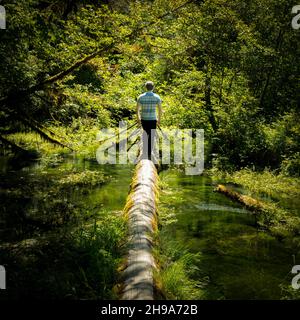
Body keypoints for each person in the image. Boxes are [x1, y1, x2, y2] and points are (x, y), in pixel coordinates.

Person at [136, 81, 162, 160]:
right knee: (151, 136)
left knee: (145, 135)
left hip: (144, 119)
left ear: (145, 87)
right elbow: (160, 110)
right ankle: (149, 154)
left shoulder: (141, 97)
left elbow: (137, 110)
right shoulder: (157, 97)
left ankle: (144, 153)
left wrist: (138, 119)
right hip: (153, 119)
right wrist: (159, 120)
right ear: (153, 87)